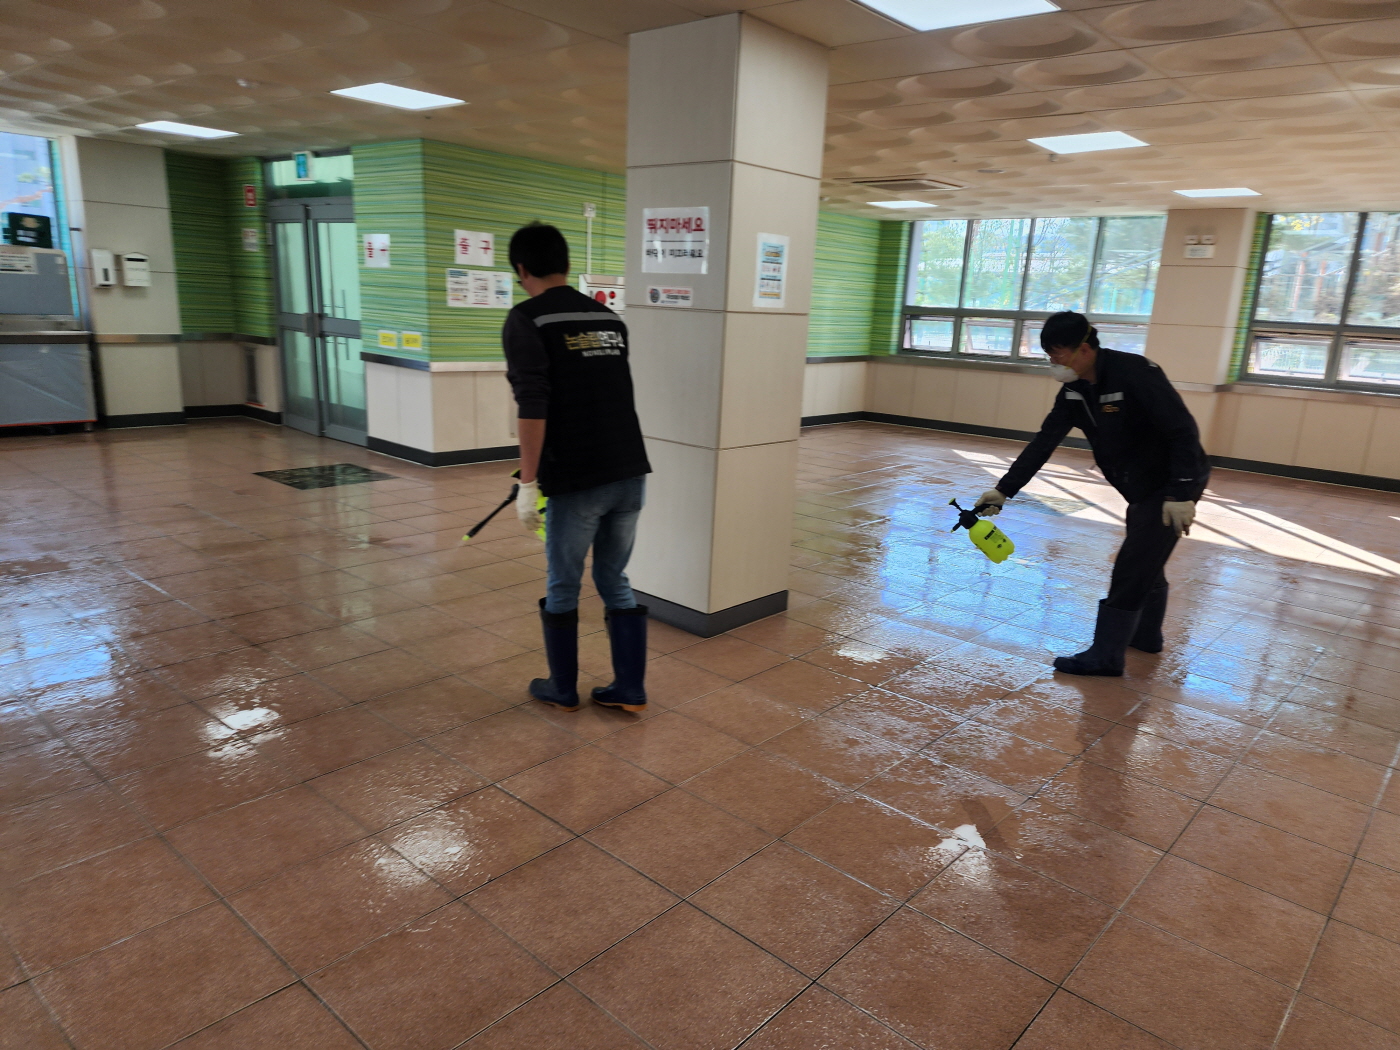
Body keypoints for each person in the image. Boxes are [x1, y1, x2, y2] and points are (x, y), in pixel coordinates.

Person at [976, 311, 1210, 676]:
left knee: (1133, 564)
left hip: (1170, 484)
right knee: (1146, 557)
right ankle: (1145, 636)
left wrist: (1181, 492)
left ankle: (1106, 656)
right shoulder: (1075, 390)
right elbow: (1044, 441)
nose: (1053, 363)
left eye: (1057, 354)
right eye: (1049, 355)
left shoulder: (1135, 374)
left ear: (1084, 349)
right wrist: (1004, 490)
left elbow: (1182, 430)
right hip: (1139, 485)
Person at [502, 222, 653, 711]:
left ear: (522, 269)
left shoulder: (527, 319)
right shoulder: (609, 318)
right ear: (565, 264)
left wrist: (528, 483)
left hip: (579, 478)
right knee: (614, 578)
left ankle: (562, 688)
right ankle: (629, 688)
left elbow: (533, 405)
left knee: (563, 582)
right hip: (629, 471)